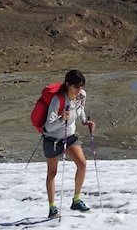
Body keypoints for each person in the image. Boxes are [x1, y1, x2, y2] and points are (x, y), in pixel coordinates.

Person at [43, 69, 96, 218]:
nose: (79, 90)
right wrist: (61, 119)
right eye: (76, 87)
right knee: (52, 173)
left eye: (81, 86)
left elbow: (80, 111)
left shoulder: (81, 96)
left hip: (70, 136)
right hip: (52, 138)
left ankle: (76, 200)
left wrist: (85, 122)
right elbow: (48, 126)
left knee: (82, 164)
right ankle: (52, 207)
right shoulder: (57, 100)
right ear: (68, 84)